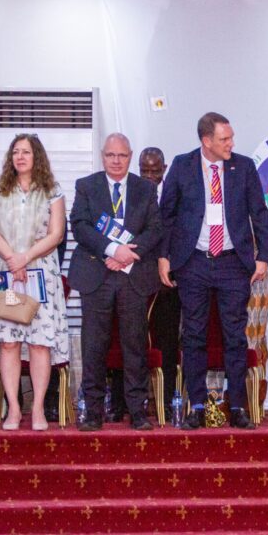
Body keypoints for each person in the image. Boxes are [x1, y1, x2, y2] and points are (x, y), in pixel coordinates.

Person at [158, 112, 268, 431]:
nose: (231, 143)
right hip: (193, 261)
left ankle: (236, 406)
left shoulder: (243, 167)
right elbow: (167, 215)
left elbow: (259, 213)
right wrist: (164, 257)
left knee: (235, 336)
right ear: (206, 141)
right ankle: (198, 407)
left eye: (231, 137)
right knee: (193, 334)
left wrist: (263, 257)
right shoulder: (182, 165)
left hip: (233, 262)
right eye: (225, 139)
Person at [69, 133, 162, 432]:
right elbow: (80, 226)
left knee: (135, 345)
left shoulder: (145, 188)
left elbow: (155, 228)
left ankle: (137, 411)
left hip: (133, 276)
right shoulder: (86, 186)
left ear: (130, 157)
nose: (116, 161)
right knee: (94, 345)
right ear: (102, 156)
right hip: (96, 274)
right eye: (111, 155)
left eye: (122, 155)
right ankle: (93, 412)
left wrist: (127, 255)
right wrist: (111, 250)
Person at [0, 134, 69, 431]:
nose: (20, 157)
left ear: (36, 156)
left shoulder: (52, 190)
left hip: (39, 274)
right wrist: (11, 258)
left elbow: (56, 234)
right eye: (15, 152)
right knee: (9, 342)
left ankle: (38, 409)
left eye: (26, 152)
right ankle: (14, 410)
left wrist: (25, 257)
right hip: (7, 275)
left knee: (40, 344)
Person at [135, 146, 181, 417]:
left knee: (168, 340)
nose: (150, 176)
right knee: (134, 339)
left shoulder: (174, 195)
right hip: (137, 277)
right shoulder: (132, 194)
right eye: (145, 171)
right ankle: (131, 401)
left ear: (164, 169)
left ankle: (168, 400)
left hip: (169, 282)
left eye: (155, 170)